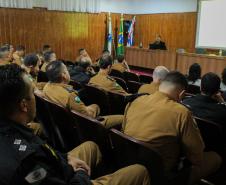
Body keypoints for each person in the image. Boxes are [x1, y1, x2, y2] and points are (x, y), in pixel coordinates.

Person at [0, 64, 150, 185]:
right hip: (71, 178)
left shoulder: (13, 129)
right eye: (33, 93)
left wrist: (66, 158)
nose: (36, 95)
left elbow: (43, 151)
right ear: (24, 105)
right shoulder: (28, 163)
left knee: (91, 146)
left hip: (58, 165)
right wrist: (80, 172)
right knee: (140, 171)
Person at [123, 71, 221, 185]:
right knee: (215, 158)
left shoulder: (134, 101)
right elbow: (196, 158)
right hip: (162, 177)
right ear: (182, 94)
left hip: (128, 166)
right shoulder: (182, 113)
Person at [43, 61, 123, 128]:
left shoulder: (46, 87)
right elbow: (87, 116)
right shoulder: (69, 96)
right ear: (63, 75)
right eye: (67, 70)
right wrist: (95, 108)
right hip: (81, 127)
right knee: (122, 118)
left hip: (62, 125)